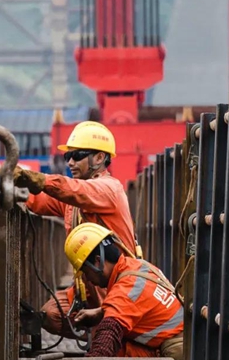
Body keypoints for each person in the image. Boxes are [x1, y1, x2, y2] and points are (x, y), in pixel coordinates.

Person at [13, 121, 138, 339]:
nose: (70, 162)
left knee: (114, 338)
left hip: (117, 284)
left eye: (78, 155)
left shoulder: (109, 189)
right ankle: (96, 333)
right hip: (89, 284)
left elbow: (77, 191)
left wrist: (41, 179)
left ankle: (113, 337)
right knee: (51, 314)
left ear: (99, 158)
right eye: (67, 157)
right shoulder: (72, 200)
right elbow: (40, 200)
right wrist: (15, 186)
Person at [63, 222, 184, 360]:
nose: (87, 279)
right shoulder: (137, 266)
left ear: (98, 262)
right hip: (182, 339)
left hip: (174, 351)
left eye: (86, 271)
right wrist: (101, 312)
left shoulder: (125, 288)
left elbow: (108, 335)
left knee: (120, 350)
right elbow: (136, 305)